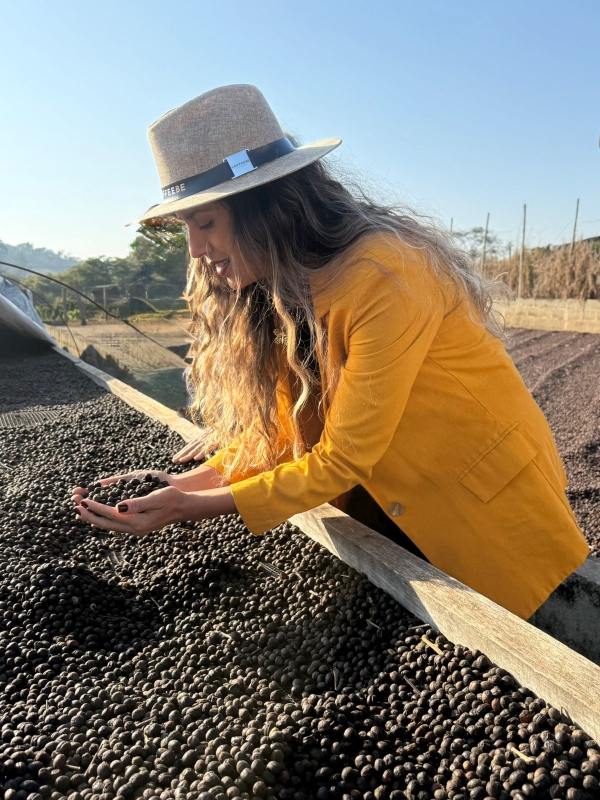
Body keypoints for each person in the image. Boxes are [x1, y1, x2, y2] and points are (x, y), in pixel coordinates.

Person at [72, 84, 588, 620]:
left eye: (206, 223)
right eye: (187, 228)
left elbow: (343, 457)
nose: (197, 250)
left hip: (479, 508)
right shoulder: (275, 288)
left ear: (268, 209)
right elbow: (287, 429)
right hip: (386, 506)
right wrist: (183, 484)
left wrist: (191, 506)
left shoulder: (386, 272)